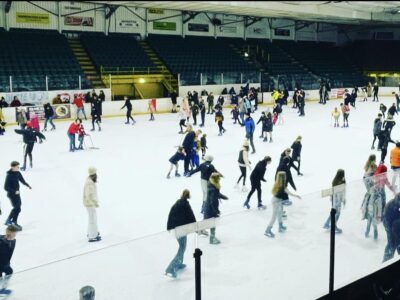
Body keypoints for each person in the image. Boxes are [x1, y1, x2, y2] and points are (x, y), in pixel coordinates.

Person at [165, 189, 196, 278]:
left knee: (182, 247)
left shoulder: (177, 203)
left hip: (176, 228)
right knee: (182, 248)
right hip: (181, 229)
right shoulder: (185, 205)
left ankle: (179, 263)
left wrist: (169, 227)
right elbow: (191, 216)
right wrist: (196, 227)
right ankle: (170, 268)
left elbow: (170, 214)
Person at [264, 171, 301, 238]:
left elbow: (287, 193)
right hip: (276, 201)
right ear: (283, 178)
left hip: (278, 200)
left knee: (280, 214)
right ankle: (267, 230)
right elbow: (289, 193)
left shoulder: (278, 184)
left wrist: (295, 196)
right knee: (274, 216)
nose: (286, 177)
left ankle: (280, 226)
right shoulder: (281, 186)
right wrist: (296, 196)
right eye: (285, 176)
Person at [3, 161, 32, 231]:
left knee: (18, 208)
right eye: (17, 167)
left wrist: (27, 185)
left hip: (17, 194)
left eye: (19, 167)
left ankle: (14, 222)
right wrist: (14, 191)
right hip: (11, 194)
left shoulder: (18, 173)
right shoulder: (9, 175)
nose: (18, 168)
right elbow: (6, 187)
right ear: (13, 167)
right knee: (17, 207)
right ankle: (9, 220)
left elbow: (22, 180)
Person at [203, 172, 228, 245]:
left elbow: (217, 194)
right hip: (211, 210)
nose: (220, 179)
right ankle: (212, 239)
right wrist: (216, 211)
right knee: (213, 225)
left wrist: (223, 197)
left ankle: (203, 232)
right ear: (216, 179)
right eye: (219, 178)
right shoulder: (213, 189)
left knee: (211, 224)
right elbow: (213, 202)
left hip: (209, 209)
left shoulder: (211, 185)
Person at [323, 169, 346, 234]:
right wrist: (342, 200)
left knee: (333, 212)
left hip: (334, 200)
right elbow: (340, 192)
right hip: (337, 201)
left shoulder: (335, 181)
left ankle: (327, 223)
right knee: (337, 213)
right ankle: (334, 226)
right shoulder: (340, 182)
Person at [83, 167, 101, 243]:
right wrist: (93, 203)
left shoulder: (89, 180)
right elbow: (88, 196)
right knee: (92, 219)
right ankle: (92, 236)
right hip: (89, 204)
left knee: (92, 218)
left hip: (90, 204)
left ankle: (91, 232)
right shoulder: (90, 183)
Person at [0, 224, 19, 296]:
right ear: (8, 232)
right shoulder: (1, 241)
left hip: (6, 263)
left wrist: (7, 262)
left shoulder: (13, 241)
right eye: (14, 233)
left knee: (9, 272)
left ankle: (3, 288)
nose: (15, 234)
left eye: (15, 233)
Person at [382, 194, 400, 262]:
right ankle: (386, 260)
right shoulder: (390, 206)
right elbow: (387, 226)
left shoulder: (396, 204)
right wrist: (390, 241)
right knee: (391, 244)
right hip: (391, 226)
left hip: (396, 227)